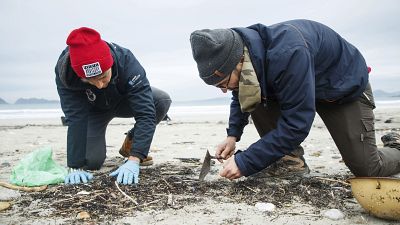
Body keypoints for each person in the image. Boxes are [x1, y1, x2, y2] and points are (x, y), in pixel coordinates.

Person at [189, 19, 400, 180]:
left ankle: (397, 147)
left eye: (223, 83)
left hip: (341, 89)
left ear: (238, 61)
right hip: (297, 85)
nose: (225, 91)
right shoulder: (244, 58)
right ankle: (289, 161)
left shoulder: (288, 53)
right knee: (252, 93)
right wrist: (233, 135)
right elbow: (241, 92)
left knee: (368, 169)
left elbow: (297, 124)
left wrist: (246, 162)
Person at [55, 27, 171, 185]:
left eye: (103, 77)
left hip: (124, 101)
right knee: (92, 162)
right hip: (93, 111)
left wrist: (135, 158)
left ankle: (131, 142)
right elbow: (75, 118)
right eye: (91, 81)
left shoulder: (126, 61)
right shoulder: (66, 73)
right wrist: (74, 165)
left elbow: (145, 113)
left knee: (161, 100)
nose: (100, 85)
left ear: (110, 64)